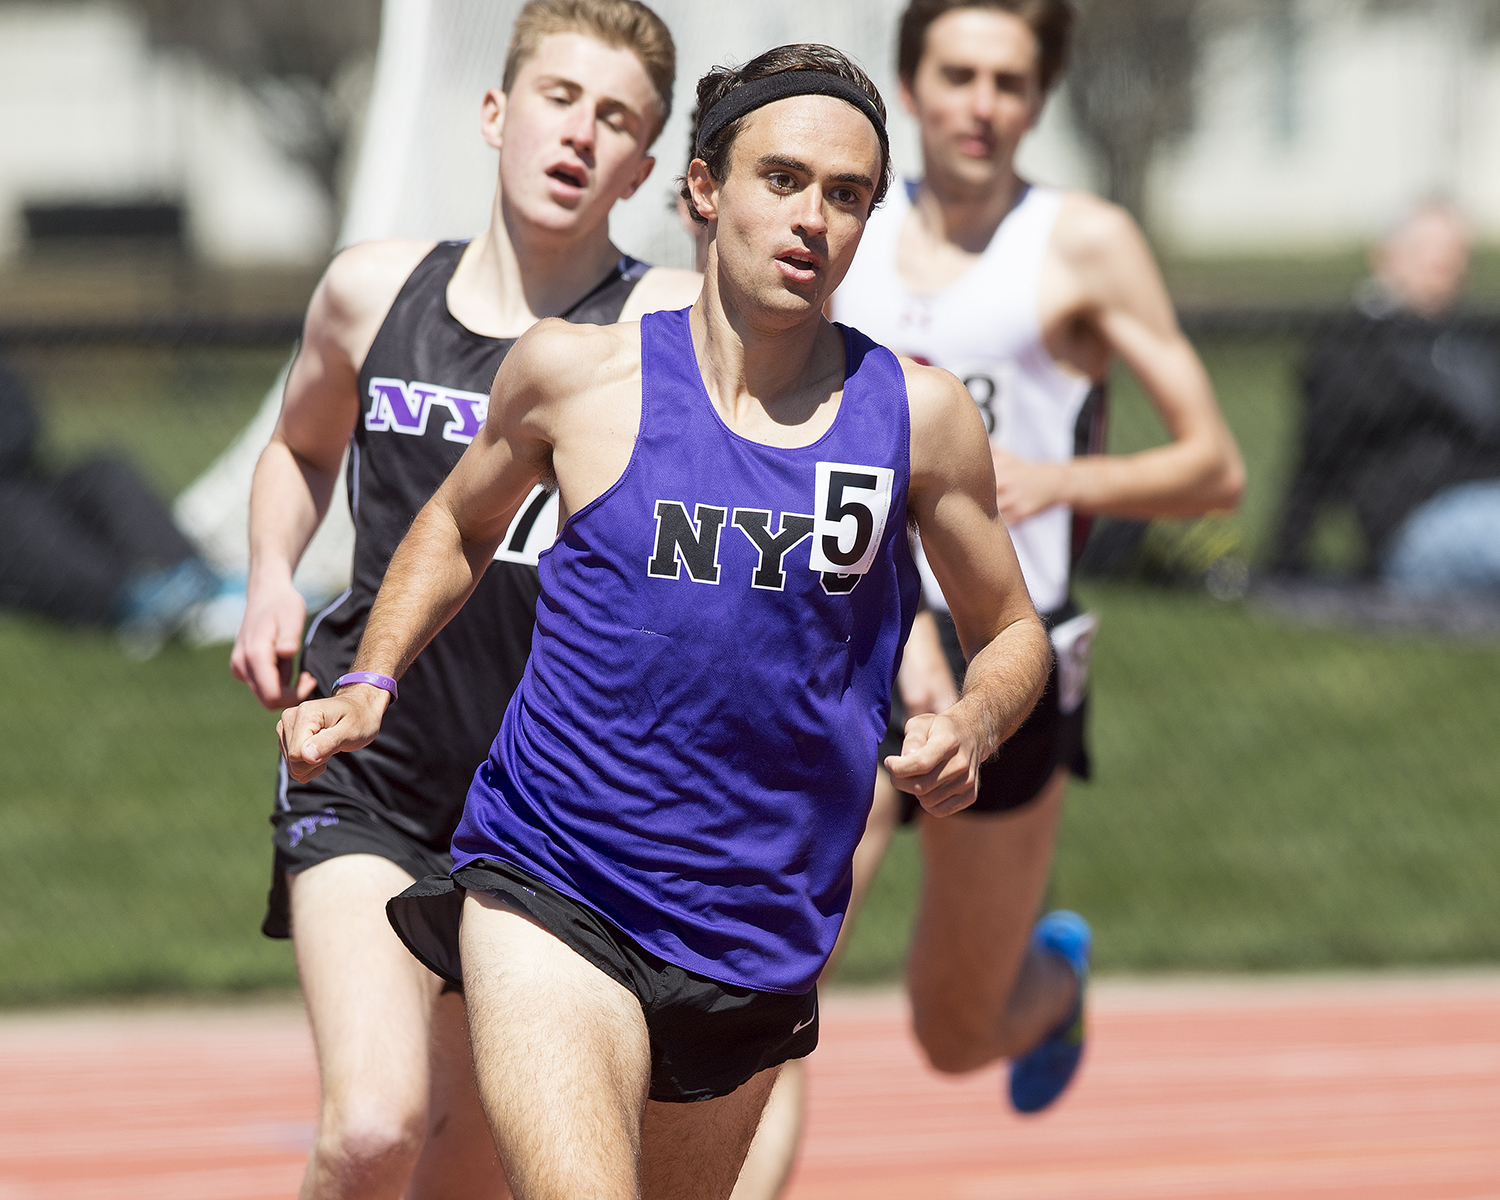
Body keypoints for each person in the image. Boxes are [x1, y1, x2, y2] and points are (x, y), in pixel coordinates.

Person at [277, 43, 1053, 1200]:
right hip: (554, 879)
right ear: (702, 191)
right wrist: (372, 677)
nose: (812, 219)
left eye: (846, 196)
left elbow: (1014, 634)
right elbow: (455, 526)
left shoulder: (917, 419)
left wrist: (976, 725)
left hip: (758, 927)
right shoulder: (577, 378)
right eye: (781, 179)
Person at [228, 2, 700, 1195]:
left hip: (548, 817)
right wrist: (272, 578)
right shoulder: (369, 294)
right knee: (374, 1129)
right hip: (373, 773)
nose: (578, 135)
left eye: (615, 120)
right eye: (557, 100)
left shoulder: (663, 337)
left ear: (645, 167)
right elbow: (295, 448)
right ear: (496, 113)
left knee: (462, 1170)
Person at [822, 0, 1244, 1121]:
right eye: (958, 75)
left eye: (1010, 83)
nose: (982, 105)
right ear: (909, 87)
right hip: (841, 629)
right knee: (774, 984)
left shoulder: (1081, 241)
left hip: (1007, 650)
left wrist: (1059, 481)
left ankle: (1052, 988)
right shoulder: (841, 217)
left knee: (955, 1035)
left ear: (1038, 99)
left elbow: (1216, 465)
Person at [1272, 201, 1500, 594]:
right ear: (1385, 257)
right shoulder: (1353, 347)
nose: (1447, 268)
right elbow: (1315, 459)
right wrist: (1283, 559)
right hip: (1418, 525)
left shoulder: (1475, 339)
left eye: (1455, 257)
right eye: (1430, 254)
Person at [0, 359, 218, 654]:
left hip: (32, 479)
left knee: (106, 471)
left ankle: (192, 577)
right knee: (14, 513)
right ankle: (129, 603)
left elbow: (22, 422)